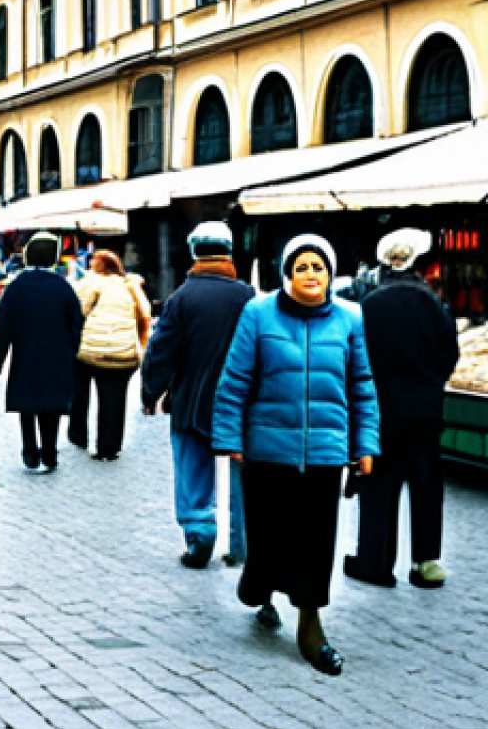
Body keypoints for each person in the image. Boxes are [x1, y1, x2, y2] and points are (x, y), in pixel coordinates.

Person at [212, 234, 380, 676]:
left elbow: (362, 385)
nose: (311, 274)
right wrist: (229, 437)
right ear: (286, 275)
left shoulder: (350, 318)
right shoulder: (258, 313)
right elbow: (234, 380)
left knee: (316, 541)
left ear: (330, 274)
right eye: (301, 266)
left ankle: (310, 624)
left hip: (325, 453)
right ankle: (259, 588)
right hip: (267, 451)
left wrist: (365, 445)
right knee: (268, 538)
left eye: (318, 267)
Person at [345, 229, 460, 589]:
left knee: (378, 484)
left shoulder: (368, 306)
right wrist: (429, 384)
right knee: (426, 483)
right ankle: (426, 563)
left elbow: (356, 360)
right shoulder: (434, 304)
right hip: (425, 410)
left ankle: (375, 562)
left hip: (382, 411)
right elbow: (449, 355)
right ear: (417, 263)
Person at [140, 223, 254, 568]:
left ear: (194, 253)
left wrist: (150, 392)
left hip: (191, 400)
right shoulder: (248, 296)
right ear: (230, 252)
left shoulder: (182, 297)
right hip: (239, 404)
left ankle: (200, 534)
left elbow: (161, 350)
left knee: (192, 470)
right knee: (241, 476)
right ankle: (240, 544)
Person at [0, 232, 83, 473]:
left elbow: (3, 323)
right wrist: (72, 351)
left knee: (27, 407)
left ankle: (30, 451)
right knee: (51, 407)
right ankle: (50, 452)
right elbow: (77, 321)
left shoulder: (16, 287)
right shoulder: (62, 287)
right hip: (56, 356)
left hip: (25, 355)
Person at [69, 250, 151, 461]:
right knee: (114, 400)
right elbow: (145, 313)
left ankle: (78, 434)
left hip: (91, 351)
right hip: (123, 353)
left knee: (79, 391)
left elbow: (79, 310)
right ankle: (109, 446)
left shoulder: (91, 282)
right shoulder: (130, 285)